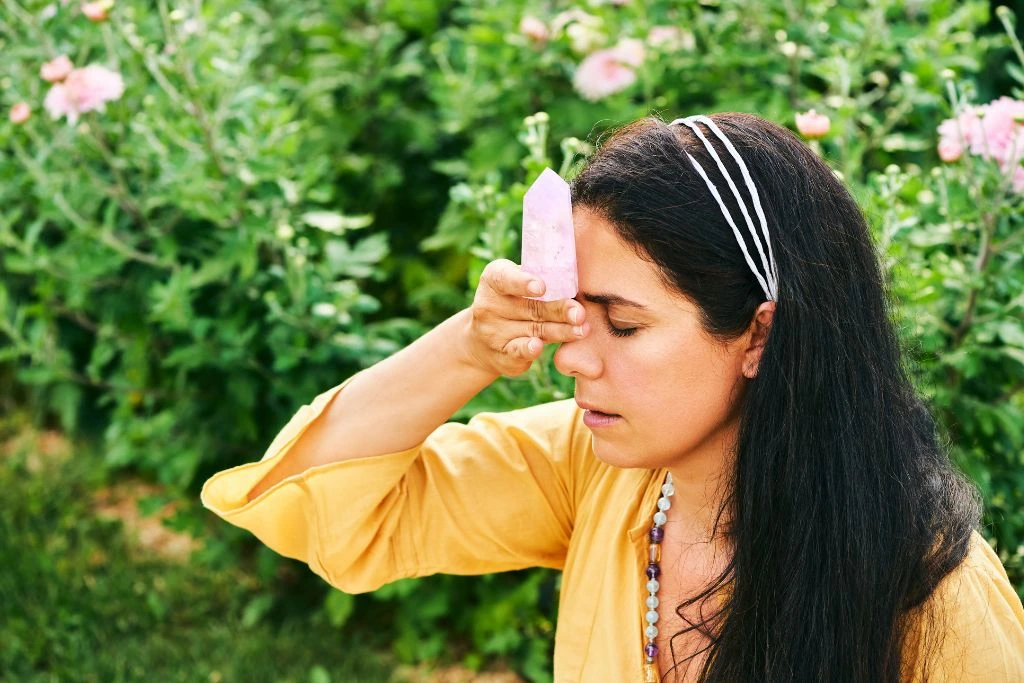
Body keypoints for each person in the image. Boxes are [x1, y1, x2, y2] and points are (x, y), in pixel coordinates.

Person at [201, 113, 1024, 682]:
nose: (574, 361)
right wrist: (468, 344)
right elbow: (331, 509)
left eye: (623, 325)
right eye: (574, 316)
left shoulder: (930, 588)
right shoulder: (597, 470)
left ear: (759, 336)